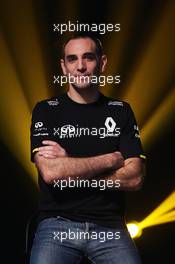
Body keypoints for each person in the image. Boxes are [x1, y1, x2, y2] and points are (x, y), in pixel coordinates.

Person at [29, 33, 146, 264]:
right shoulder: (46, 110)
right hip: (57, 225)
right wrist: (112, 159)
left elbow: (135, 178)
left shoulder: (121, 110)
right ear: (64, 67)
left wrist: (71, 166)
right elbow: (53, 173)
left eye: (88, 58)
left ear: (102, 63)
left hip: (109, 227)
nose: (80, 66)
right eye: (72, 59)